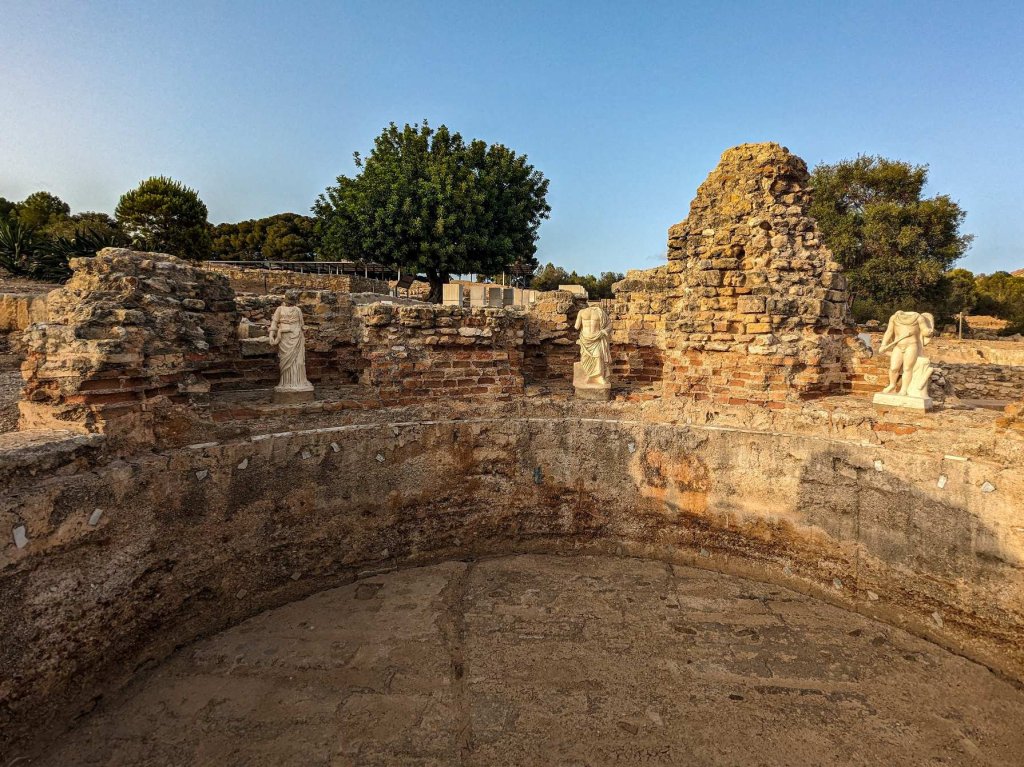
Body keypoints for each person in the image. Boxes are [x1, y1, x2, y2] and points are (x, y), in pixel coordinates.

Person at [879, 310, 934, 396]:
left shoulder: (918, 318)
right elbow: (889, 332)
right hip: (898, 346)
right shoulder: (894, 318)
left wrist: (928, 331)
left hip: (911, 345)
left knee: (907, 368)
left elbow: (924, 330)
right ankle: (892, 385)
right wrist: (883, 344)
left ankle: (904, 389)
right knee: (893, 368)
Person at [268, 291, 312, 392]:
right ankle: (286, 383)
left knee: (299, 361)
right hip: (284, 337)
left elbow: (301, 325)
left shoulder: (298, 310)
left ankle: (299, 381)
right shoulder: (279, 309)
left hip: (296, 336)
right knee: (285, 360)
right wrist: (271, 335)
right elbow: (274, 323)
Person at [575, 305, 611, 385]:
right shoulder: (581, 312)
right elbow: (577, 327)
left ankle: (598, 377)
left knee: (598, 356)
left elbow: (576, 327)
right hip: (585, 340)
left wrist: (603, 331)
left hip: (597, 338)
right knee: (585, 359)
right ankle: (589, 376)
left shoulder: (601, 313)